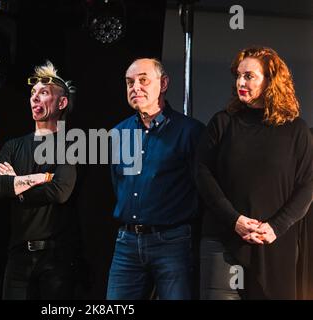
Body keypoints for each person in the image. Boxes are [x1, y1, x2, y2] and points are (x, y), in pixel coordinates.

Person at [196, 46, 313, 299]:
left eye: (249, 76)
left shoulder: (296, 130)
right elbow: (202, 174)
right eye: (238, 75)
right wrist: (234, 220)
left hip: (274, 243)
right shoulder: (223, 122)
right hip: (222, 239)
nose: (240, 82)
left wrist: (275, 227)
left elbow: (307, 185)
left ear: (271, 80)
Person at [107, 58, 205, 300]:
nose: (135, 88)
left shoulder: (190, 131)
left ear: (163, 84)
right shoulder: (117, 133)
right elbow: (117, 183)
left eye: (143, 80)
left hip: (172, 241)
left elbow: (202, 186)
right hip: (127, 242)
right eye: (129, 82)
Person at [0, 61, 81, 300]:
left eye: (44, 93)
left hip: (56, 258)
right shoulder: (14, 145)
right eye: (33, 93)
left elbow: (60, 191)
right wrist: (40, 178)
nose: (35, 98)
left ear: (62, 103)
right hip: (18, 255)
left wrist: (16, 186)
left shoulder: (71, 144)